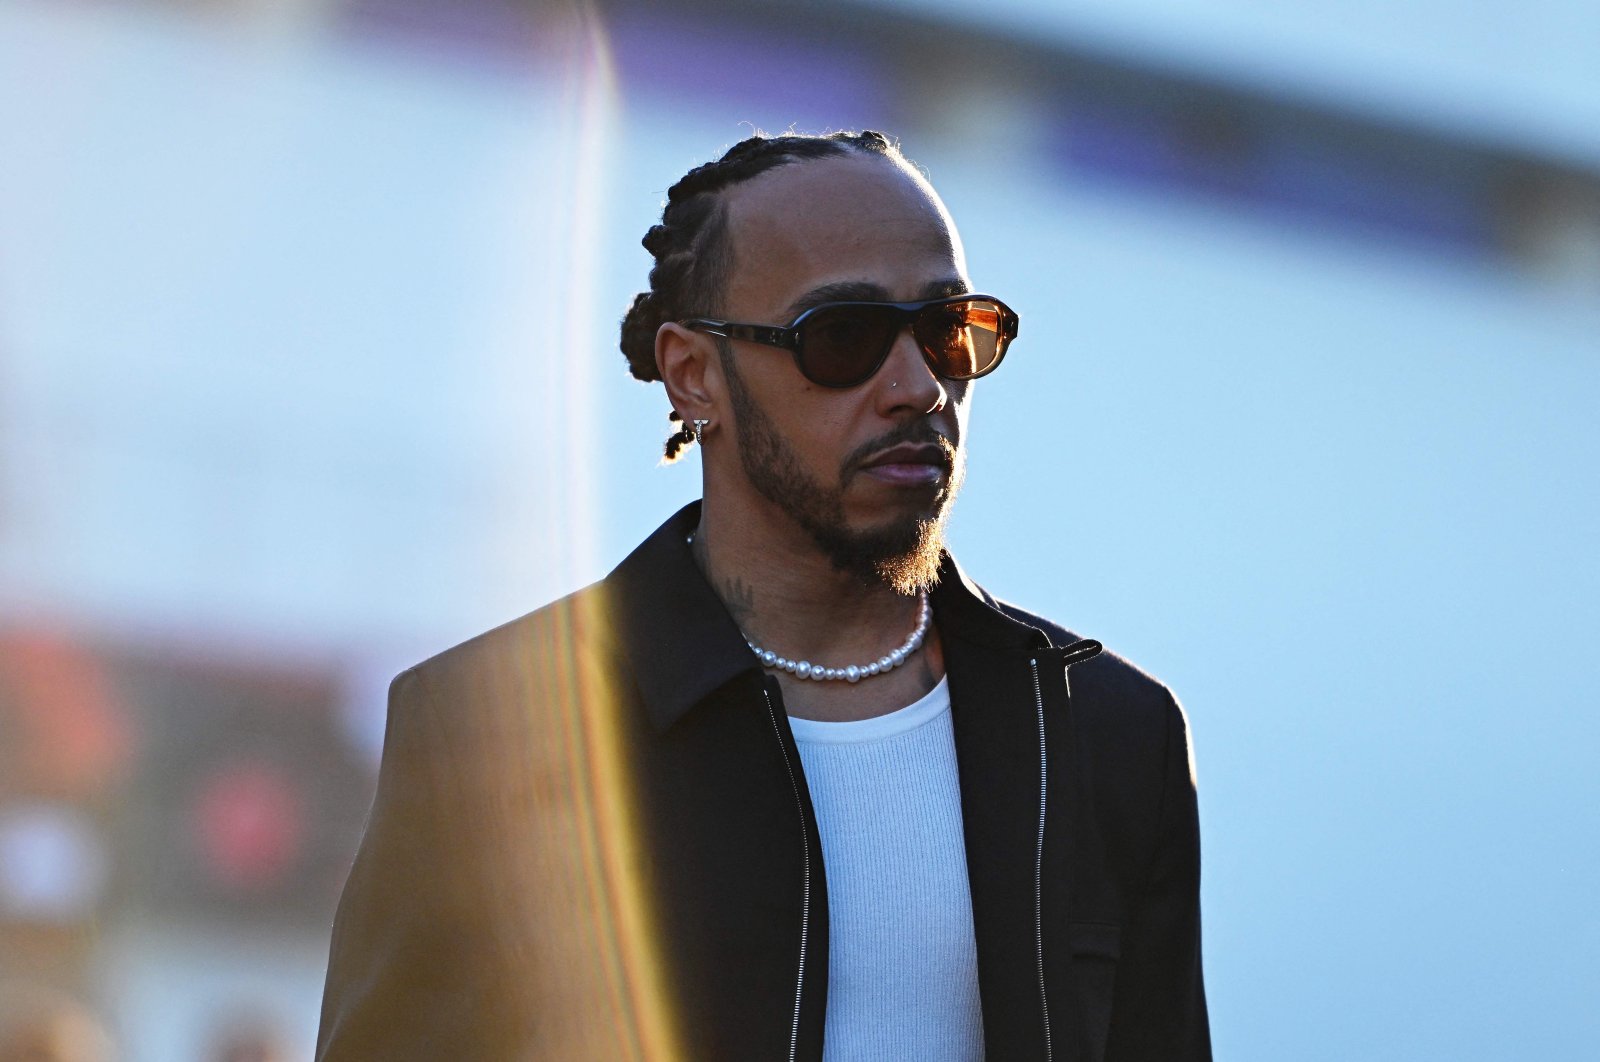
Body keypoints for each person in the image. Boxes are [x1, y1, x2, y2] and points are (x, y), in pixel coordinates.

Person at [315, 130, 1210, 1061]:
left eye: (949, 331)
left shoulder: (1105, 732)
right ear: (693, 373)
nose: (918, 388)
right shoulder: (498, 728)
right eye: (843, 338)